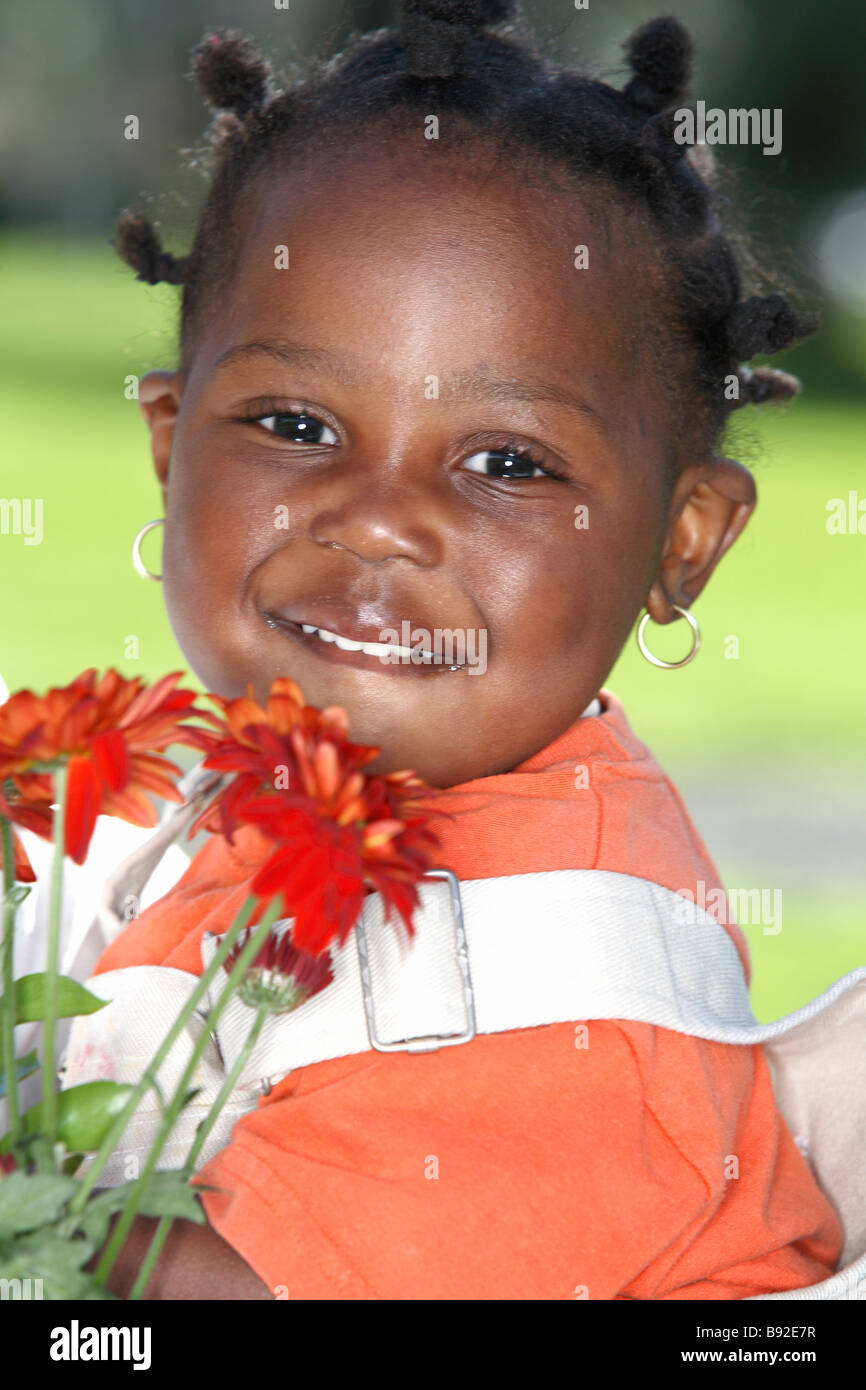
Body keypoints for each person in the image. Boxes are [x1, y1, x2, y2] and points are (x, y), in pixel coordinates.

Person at [73, 4, 849, 1298]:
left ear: (682, 541)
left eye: (506, 462)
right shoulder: (182, 789)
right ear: (170, 444)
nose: (376, 517)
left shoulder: (560, 987)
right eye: (294, 421)